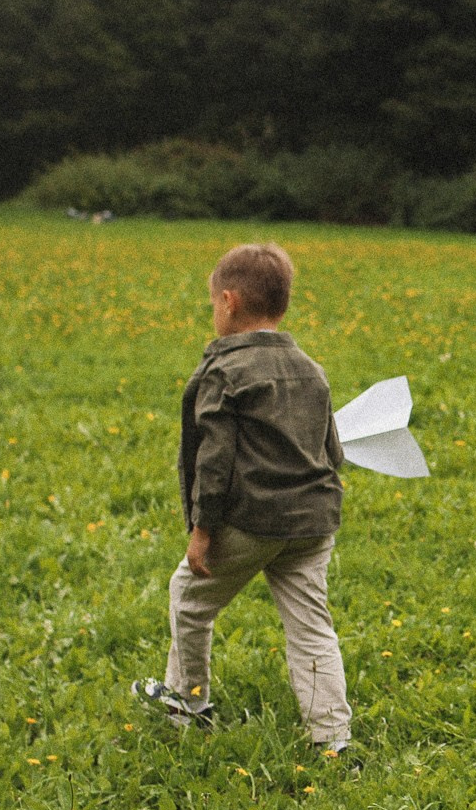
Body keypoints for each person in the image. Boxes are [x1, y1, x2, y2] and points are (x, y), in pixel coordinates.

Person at [133, 243, 354, 757]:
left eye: (213, 303)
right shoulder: (312, 370)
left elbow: (214, 462)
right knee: (312, 628)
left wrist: (202, 530)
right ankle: (333, 738)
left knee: (189, 600)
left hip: (253, 522)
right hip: (314, 523)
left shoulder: (225, 373)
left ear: (228, 302)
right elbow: (334, 451)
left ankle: (189, 703)